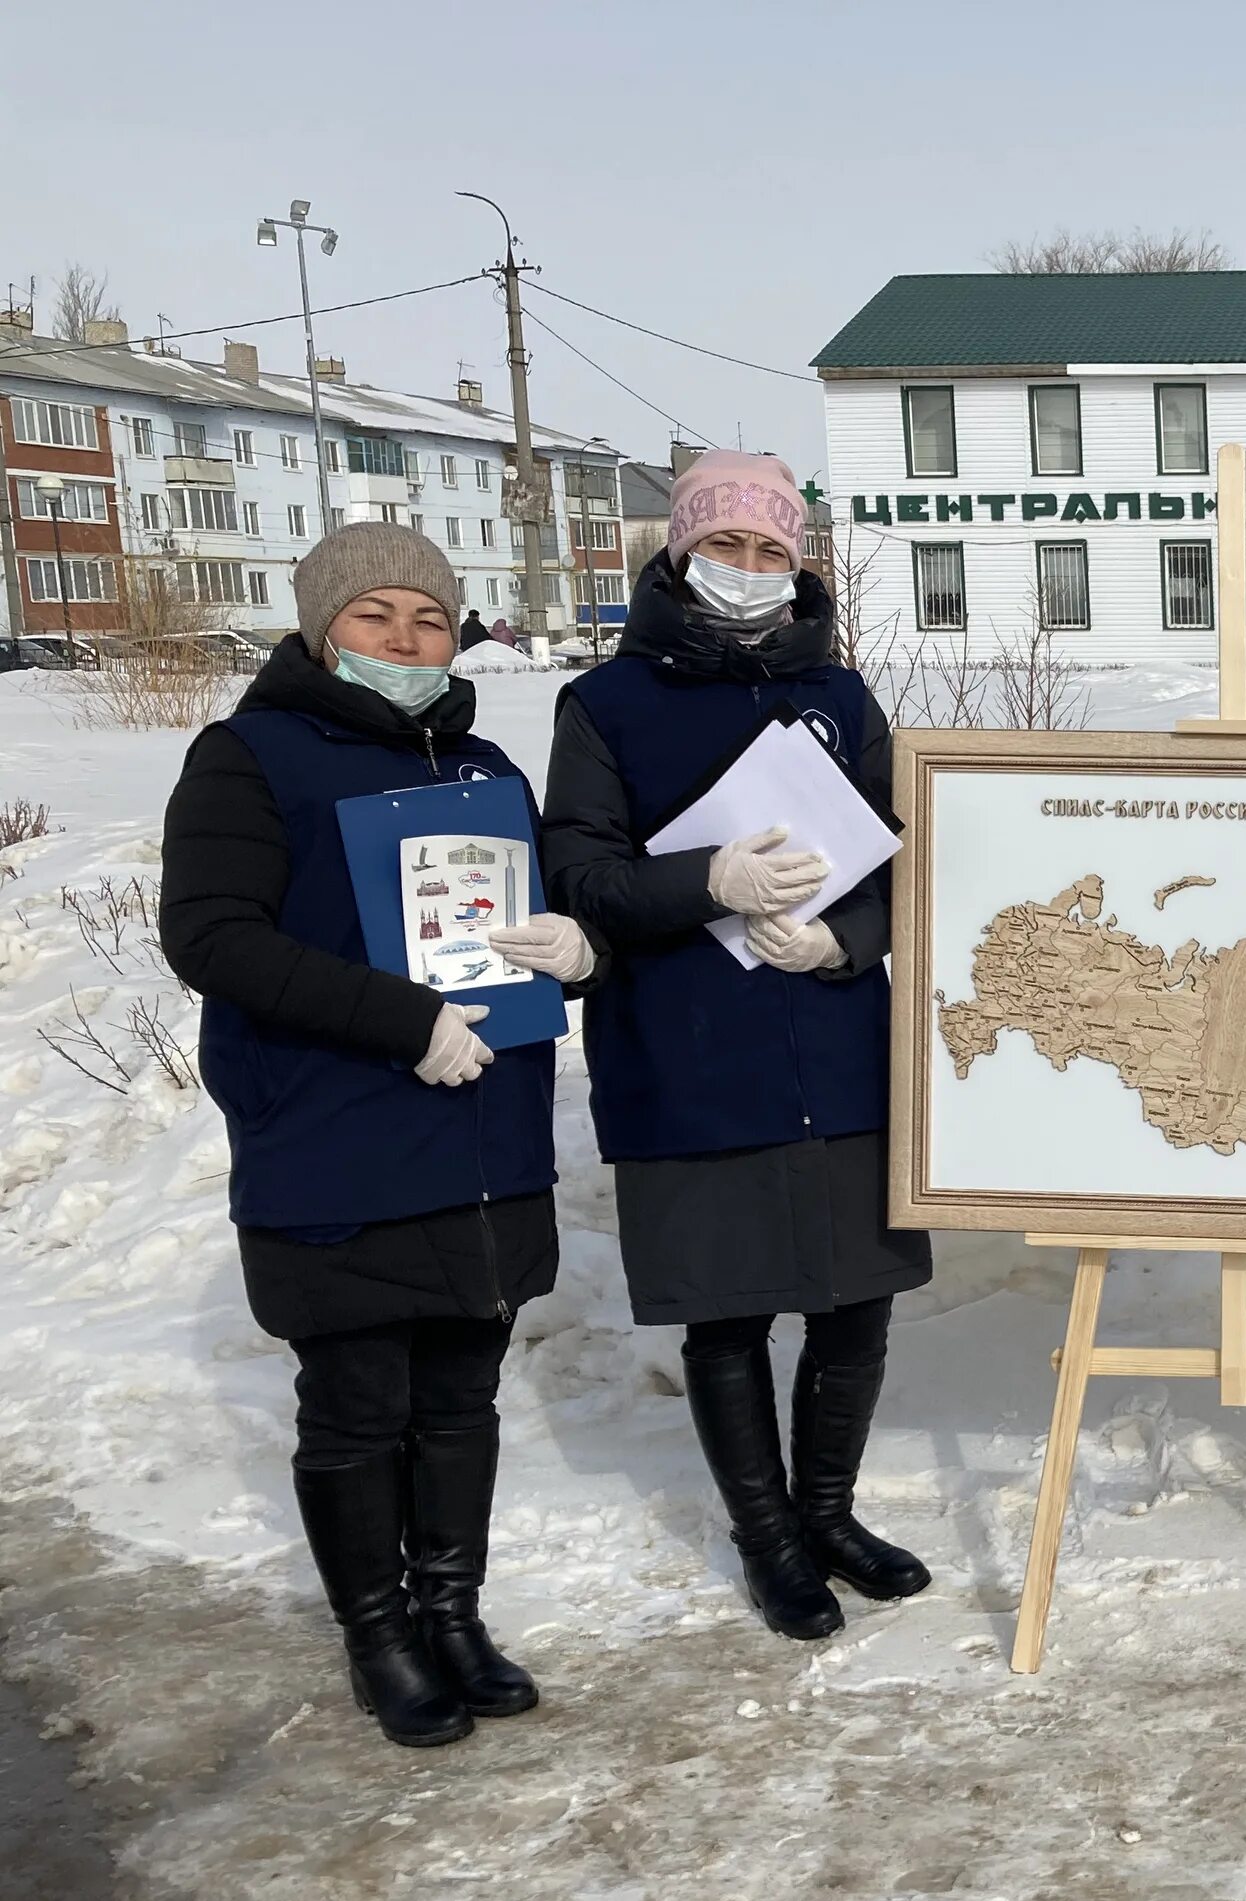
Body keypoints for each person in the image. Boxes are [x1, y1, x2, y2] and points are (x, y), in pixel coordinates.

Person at [160, 524, 599, 1746]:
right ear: (320, 628)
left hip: (478, 1142)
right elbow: (213, 936)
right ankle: (380, 1638)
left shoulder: (485, 769)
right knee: (357, 1403)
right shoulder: (249, 759)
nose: (408, 640)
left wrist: (573, 950)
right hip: (336, 1128)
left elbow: (508, 929)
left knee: (462, 1396)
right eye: (377, 617)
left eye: (429, 617)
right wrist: (401, 1021)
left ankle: (451, 1614)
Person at [542, 450, 933, 1642]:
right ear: (680, 552)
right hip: (689, 1050)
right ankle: (768, 1543)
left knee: (855, 1308)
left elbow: (902, 863)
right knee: (730, 1314)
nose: (751, 571)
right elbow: (578, 871)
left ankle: (830, 1514)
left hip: (837, 1047)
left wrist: (845, 945)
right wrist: (705, 879)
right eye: (728, 547)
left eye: (774, 551)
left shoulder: (844, 699)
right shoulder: (604, 705)